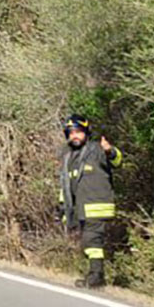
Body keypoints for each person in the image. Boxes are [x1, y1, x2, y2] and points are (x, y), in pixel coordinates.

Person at [58, 114, 123, 288]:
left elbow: (117, 161)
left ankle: (96, 278)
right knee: (88, 242)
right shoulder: (69, 157)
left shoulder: (96, 150)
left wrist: (110, 151)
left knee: (91, 240)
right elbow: (65, 185)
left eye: (78, 132)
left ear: (86, 132)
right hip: (81, 208)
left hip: (97, 206)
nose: (75, 136)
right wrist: (63, 208)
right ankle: (94, 275)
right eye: (71, 133)